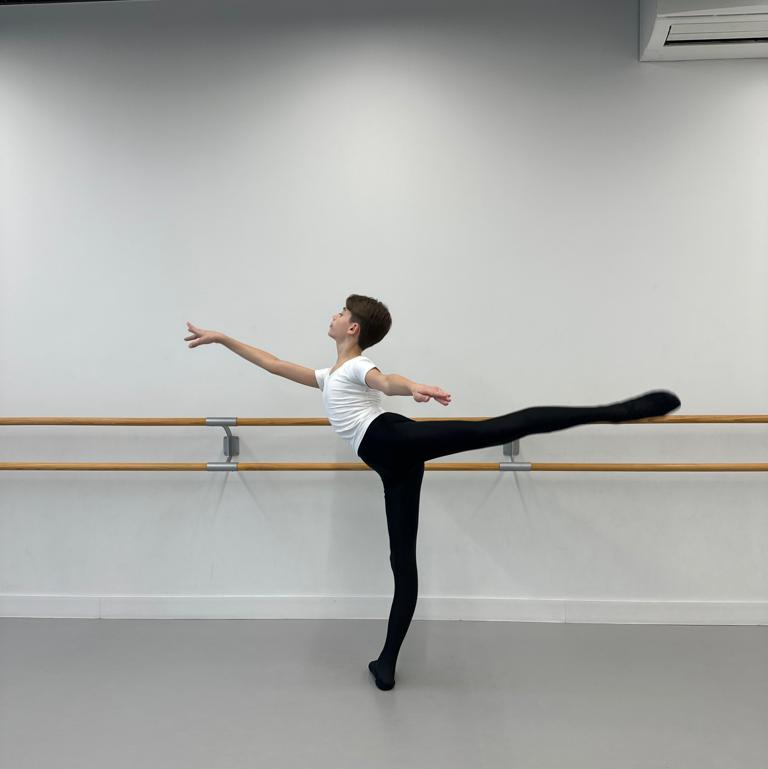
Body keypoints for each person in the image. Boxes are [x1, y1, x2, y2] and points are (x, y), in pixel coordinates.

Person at [185, 296, 681, 692]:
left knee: (494, 428)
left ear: (352, 328)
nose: (332, 316)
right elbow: (273, 364)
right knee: (402, 562)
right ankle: (386, 663)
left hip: (393, 439)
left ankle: (616, 411)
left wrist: (414, 387)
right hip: (392, 464)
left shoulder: (357, 367)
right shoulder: (327, 375)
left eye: (340, 312)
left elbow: (385, 380)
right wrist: (223, 338)